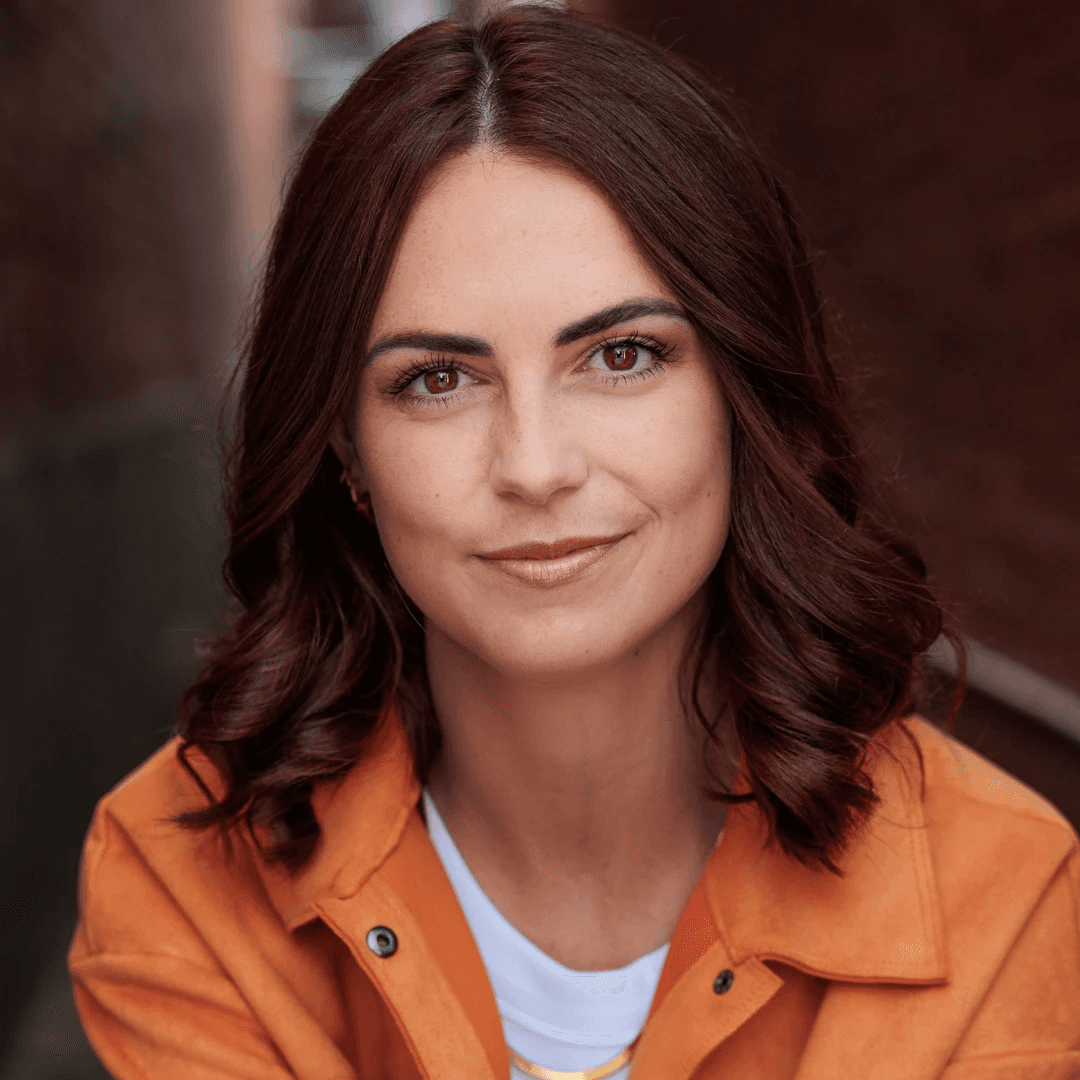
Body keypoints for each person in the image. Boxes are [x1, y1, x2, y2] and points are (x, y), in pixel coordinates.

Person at [68, 7, 1080, 1080]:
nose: (537, 466)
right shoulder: (180, 874)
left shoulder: (1001, 895)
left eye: (624, 355)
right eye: (437, 380)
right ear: (347, 457)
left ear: (743, 397)